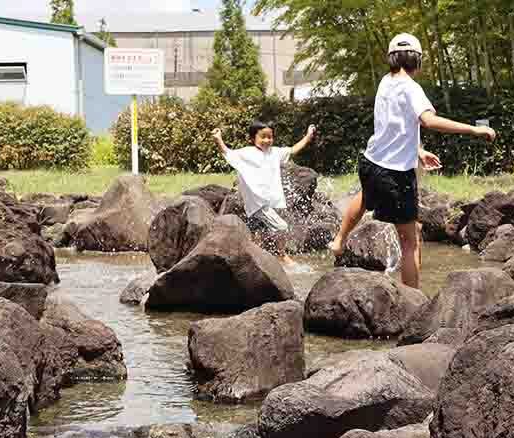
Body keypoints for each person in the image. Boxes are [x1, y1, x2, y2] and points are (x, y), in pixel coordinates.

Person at [327, 33, 497, 288]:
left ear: (391, 58)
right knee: (411, 240)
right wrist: (474, 130)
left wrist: (418, 150)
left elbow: (394, 125)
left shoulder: (386, 82)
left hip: (371, 162)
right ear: (417, 60)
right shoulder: (411, 88)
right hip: (395, 173)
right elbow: (428, 120)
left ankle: (339, 240)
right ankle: (411, 302)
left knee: (365, 196)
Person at [212, 121, 316, 265]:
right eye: (263, 137)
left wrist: (308, 136)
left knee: (257, 232)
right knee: (281, 227)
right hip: (258, 202)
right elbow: (228, 153)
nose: (267, 140)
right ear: (252, 138)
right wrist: (218, 139)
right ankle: (281, 255)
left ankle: (257, 257)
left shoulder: (275, 152)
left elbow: (292, 150)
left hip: (266, 202)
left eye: (270, 137)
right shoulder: (247, 153)